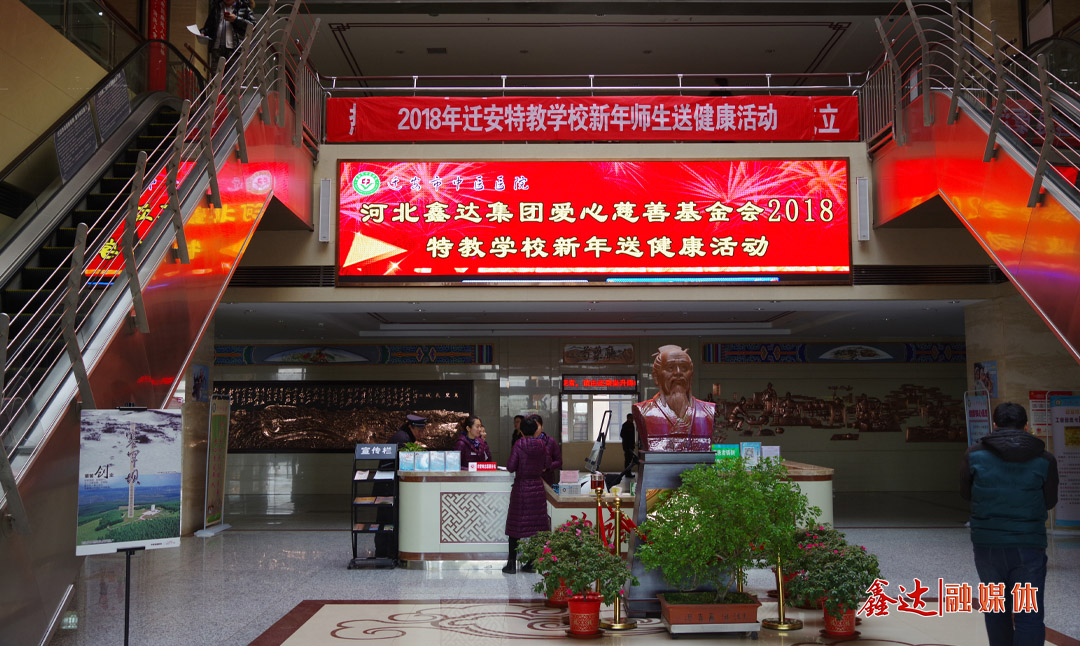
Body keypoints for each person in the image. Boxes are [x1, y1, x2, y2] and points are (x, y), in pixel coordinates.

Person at [960, 402, 1058, 646]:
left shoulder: (973, 455)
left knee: (995, 608)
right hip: (1028, 545)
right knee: (1028, 612)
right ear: (1026, 426)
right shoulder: (1045, 459)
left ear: (994, 425)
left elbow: (966, 493)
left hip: (987, 545)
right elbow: (1050, 501)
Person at [632, 345, 716, 451]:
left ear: (691, 376)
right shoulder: (644, 410)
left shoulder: (707, 410)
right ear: (656, 377)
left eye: (684, 368)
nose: (678, 372)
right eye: (670, 368)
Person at [503, 416, 551, 574]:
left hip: (522, 488)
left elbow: (511, 466)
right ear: (536, 430)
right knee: (537, 527)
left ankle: (511, 564)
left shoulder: (519, 444)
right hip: (537, 487)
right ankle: (531, 562)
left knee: (515, 525)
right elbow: (548, 464)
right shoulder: (542, 444)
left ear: (521, 431)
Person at [201, 0, 255, 75]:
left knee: (234, 76)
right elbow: (209, 26)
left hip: (235, 50)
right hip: (217, 49)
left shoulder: (244, 8)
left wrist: (236, 19)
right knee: (216, 77)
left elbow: (253, 26)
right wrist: (203, 33)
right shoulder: (216, 7)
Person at [529, 414, 561, 486]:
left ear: (542, 426)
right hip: (529, 481)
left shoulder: (550, 441)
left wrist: (547, 467)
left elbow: (559, 461)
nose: (534, 429)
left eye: (537, 426)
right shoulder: (524, 442)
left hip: (546, 480)